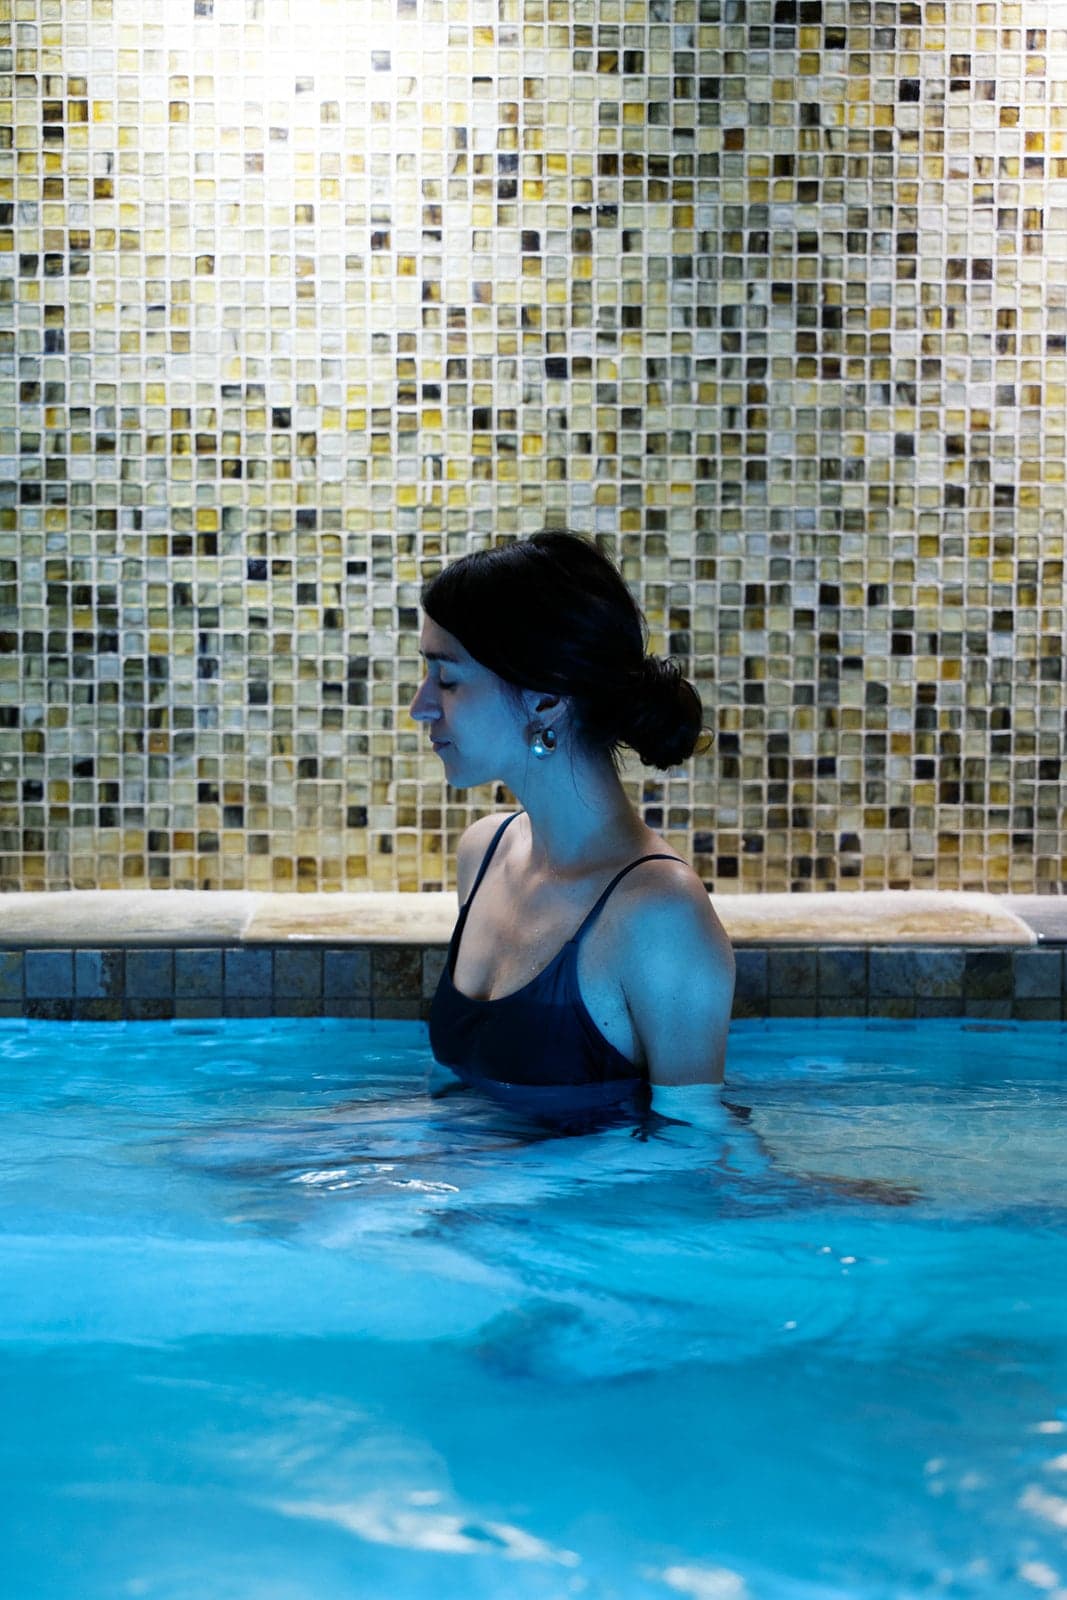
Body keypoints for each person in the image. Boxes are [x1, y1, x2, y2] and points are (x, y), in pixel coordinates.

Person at [409, 530, 735, 1132]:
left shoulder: (659, 914)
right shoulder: (485, 853)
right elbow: (459, 1106)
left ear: (546, 701)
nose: (421, 705)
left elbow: (692, 1155)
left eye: (447, 679)